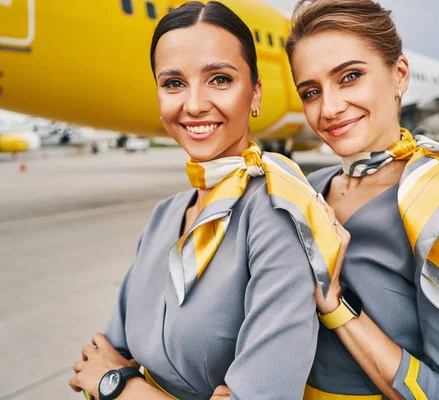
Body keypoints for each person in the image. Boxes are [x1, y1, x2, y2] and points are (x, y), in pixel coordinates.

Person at [68, 2, 343, 399]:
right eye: (174, 83)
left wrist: (121, 387)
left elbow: (104, 375)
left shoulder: (279, 216)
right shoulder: (165, 215)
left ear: (255, 94)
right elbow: (98, 356)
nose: (194, 104)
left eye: (219, 79)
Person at [285, 0, 439, 399]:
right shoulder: (307, 189)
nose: (329, 108)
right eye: (311, 91)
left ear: (399, 75)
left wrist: (337, 308)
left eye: (350, 76)